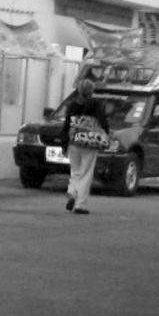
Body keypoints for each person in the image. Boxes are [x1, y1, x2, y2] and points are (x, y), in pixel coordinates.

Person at [55, 74, 109, 215]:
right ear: (91, 91)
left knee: (75, 171)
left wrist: (64, 144)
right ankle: (80, 205)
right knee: (86, 173)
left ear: (79, 90)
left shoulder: (72, 105)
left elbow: (66, 126)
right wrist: (106, 134)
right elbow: (103, 122)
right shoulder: (96, 105)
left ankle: (72, 192)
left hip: (73, 142)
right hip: (90, 142)